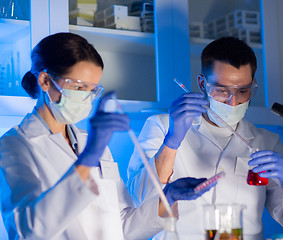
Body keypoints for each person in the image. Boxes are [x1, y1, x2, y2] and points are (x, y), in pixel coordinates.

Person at [0, 32, 212, 240]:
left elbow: (123, 226)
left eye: (92, 90)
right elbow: (30, 230)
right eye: (79, 87)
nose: (86, 97)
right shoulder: (13, 145)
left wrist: (169, 196)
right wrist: (91, 155)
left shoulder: (88, 141)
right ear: (45, 80)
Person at [127, 37, 283, 239]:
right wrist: (172, 140)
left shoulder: (267, 142)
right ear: (202, 84)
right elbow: (138, 200)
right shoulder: (162, 126)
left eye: (243, 91)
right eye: (221, 90)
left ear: (253, 86)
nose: (232, 101)